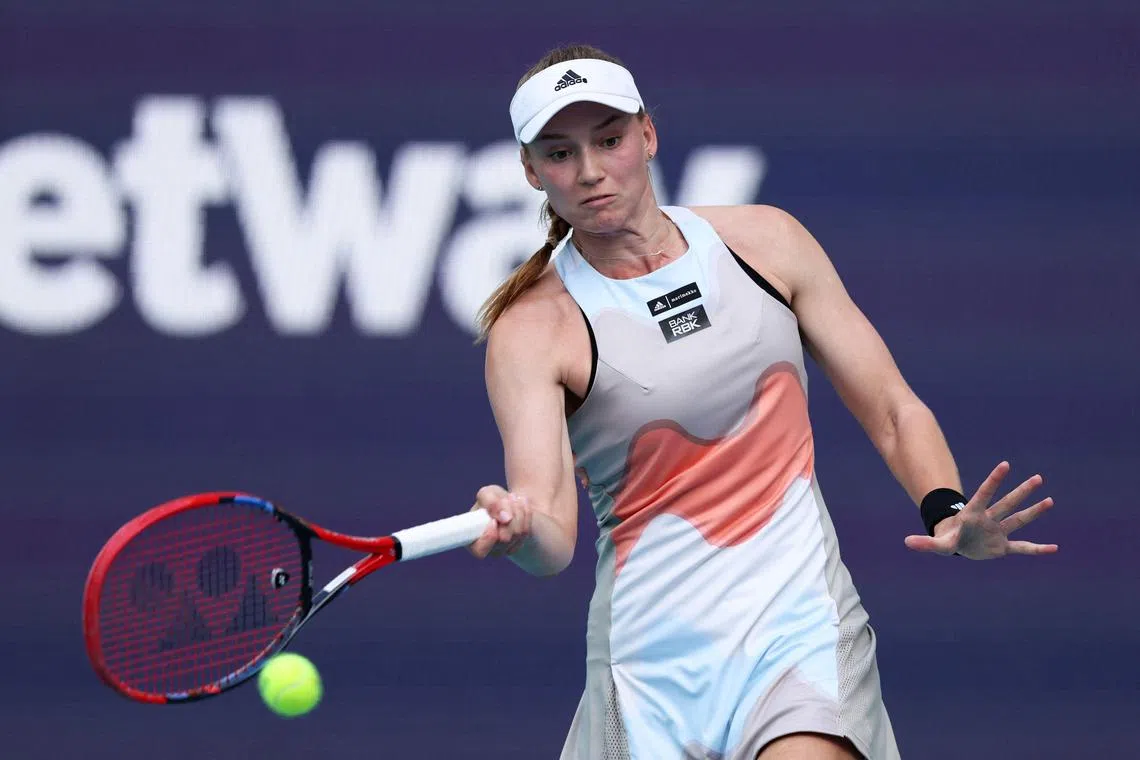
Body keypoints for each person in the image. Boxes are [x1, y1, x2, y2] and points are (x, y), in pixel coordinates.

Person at [466, 44, 1057, 760]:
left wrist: (947, 507)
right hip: (650, 668)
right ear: (530, 171)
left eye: (610, 140)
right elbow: (552, 535)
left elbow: (893, 407)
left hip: (799, 628)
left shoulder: (766, 242)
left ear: (647, 134)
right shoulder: (533, 328)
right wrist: (520, 528)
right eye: (560, 153)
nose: (590, 171)